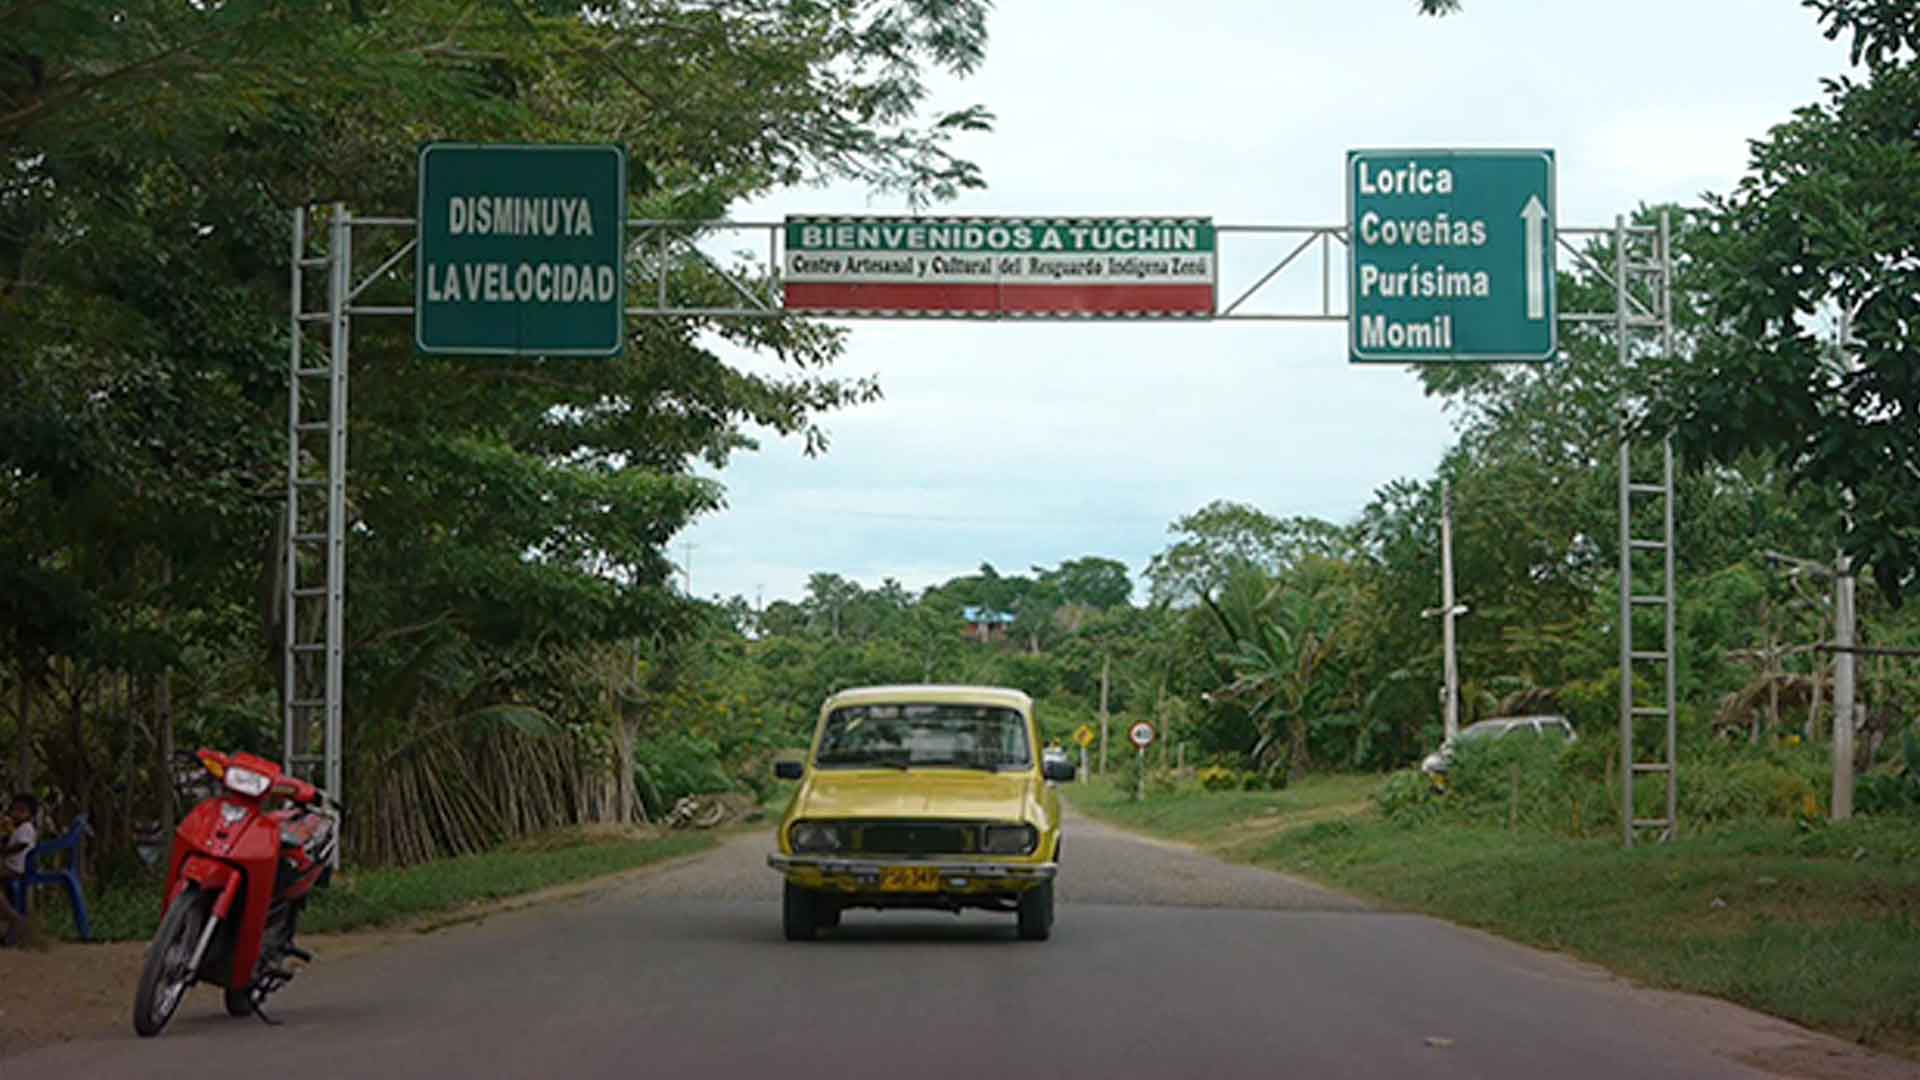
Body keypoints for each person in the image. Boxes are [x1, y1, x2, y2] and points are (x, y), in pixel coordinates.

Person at [1, 793, 38, 948]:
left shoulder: (27, 828)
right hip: (10, 867)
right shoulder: (17, 828)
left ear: (30, 815)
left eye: (22, 811)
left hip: (16, 869)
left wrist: (4, 851)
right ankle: (11, 926)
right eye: (14, 810)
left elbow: (21, 846)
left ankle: (15, 920)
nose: (16, 813)